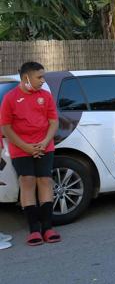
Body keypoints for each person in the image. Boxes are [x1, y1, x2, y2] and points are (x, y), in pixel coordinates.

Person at [0, 62, 61, 245]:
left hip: (44, 146)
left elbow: (53, 122)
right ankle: (34, 230)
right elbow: (6, 127)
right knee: (27, 182)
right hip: (21, 148)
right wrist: (26, 147)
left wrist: (44, 142)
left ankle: (48, 228)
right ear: (26, 78)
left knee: (45, 181)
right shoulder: (10, 98)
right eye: (39, 77)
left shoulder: (46, 96)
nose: (43, 81)